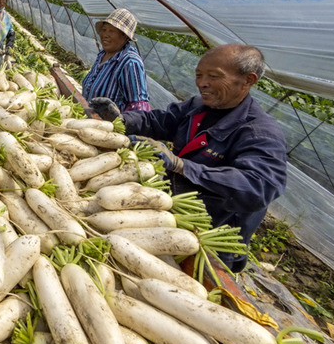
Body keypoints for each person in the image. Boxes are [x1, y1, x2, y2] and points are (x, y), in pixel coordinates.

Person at [91, 44, 288, 272]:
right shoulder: (198, 106)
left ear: (248, 80)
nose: (202, 83)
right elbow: (160, 121)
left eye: (213, 76)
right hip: (166, 217)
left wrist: (181, 166)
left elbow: (259, 187)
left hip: (209, 241)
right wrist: (122, 120)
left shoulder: (260, 132)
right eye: (199, 75)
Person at [81, 8, 150, 113]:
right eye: (104, 30)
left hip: (107, 127)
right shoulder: (102, 54)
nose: (105, 35)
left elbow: (138, 109)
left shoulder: (130, 62)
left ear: (124, 36)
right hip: (88, 118)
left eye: (111, 31)